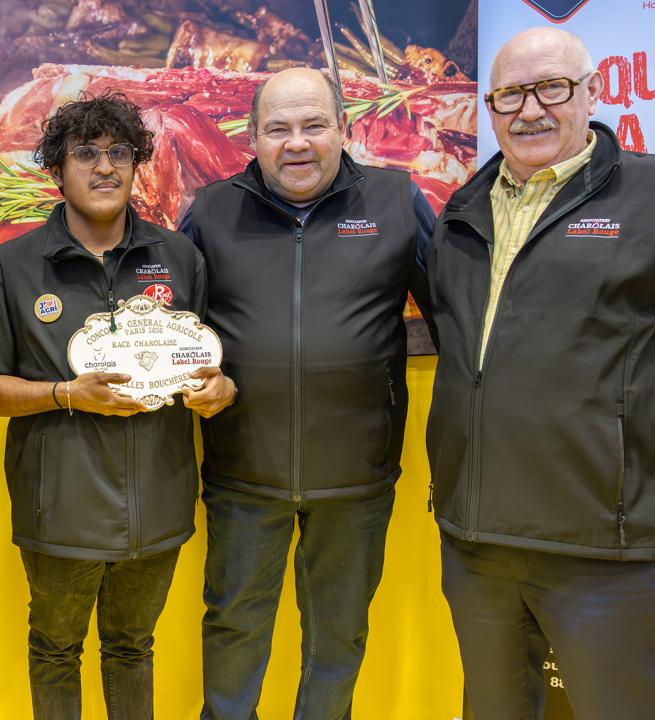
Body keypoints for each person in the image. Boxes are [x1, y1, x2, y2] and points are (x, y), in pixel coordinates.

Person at [425, 26, 655, 718]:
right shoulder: (462, 213)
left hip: (604, 551)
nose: (529, 111)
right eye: (509, 95)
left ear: (592, 92)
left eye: (550, 88)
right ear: (488, 108)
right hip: (478, 545)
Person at [0, 94, 235, 719]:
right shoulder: (15, 265)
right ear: (57, 170)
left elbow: (221, 366)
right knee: (56, 650)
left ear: (138, 165)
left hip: (158, 503)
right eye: (86, 153)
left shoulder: (178, 258)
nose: (105, 167)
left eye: (119, 153)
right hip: (59, 507)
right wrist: (65, 394)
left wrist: (222, 390)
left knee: (133, 647)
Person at [180, 67, 433, 719]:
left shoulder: (396, 200)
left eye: (314, 125)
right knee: (234, 631)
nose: (297, 143)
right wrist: (191, 375)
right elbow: (172, 330)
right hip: (243, 475)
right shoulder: (211, 212)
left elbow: (456, 320)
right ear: (255, 137)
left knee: (337, 641)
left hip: (358, 480)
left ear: (344, 130)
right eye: (278, 128)